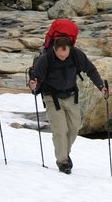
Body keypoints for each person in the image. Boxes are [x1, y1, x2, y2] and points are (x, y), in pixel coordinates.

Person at [28, 36, 106, 174]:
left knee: (74, 127)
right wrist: (33, 85)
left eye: (66, 54)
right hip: (52, 97)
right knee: (60, 131)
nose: (63, 57)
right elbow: (37, 80)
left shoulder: (76, 55)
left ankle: (64, 152)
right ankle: (63, 162)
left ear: (70, 49)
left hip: (71, 96)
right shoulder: (45, 60)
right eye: (60, 55)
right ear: (54, 49)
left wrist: (101, 86)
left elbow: (90, 70)